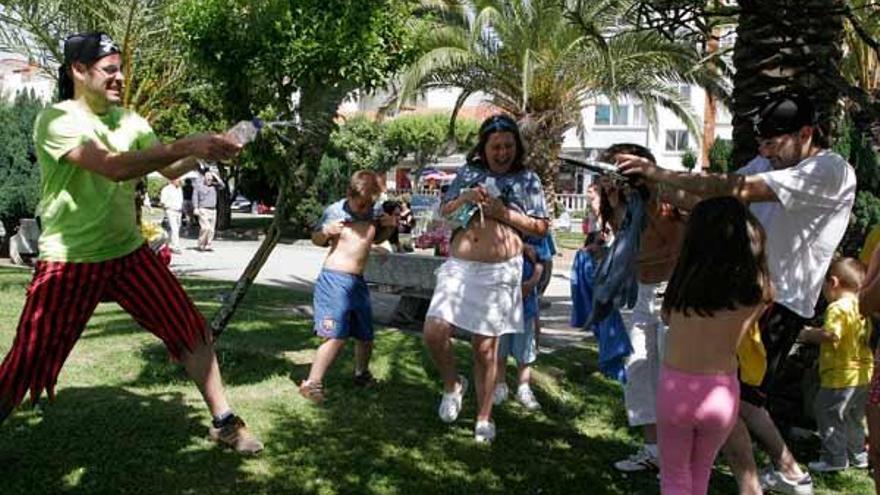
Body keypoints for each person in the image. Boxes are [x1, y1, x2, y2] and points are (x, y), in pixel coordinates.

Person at [0, 32, 262, 454]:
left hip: (127, 255)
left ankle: (225, 421)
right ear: (79, 71)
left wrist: (206, 151)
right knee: (27, 359)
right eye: (109, 69)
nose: (120, 77)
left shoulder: (132, 122)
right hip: (70, 260)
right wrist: (186, 144)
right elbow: (113, 168)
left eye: (121, 68)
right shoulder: (56, 120)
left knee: (190, 329)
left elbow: (167, 167)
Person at [619, 92, 857, 494]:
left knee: (736, 401)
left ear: (806, 133)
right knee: (737, 399)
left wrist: (660, 173)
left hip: (779, 299)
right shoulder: (769, 161)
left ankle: (766, 481)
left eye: (772, 143)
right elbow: (712, 197)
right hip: (746, 292)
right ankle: (783, 475)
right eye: (761, 143)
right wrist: (651, 186)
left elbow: (735, 187)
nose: (764, 152)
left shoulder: (829, 170)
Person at [422, 114, 549, 443]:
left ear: (516, 147)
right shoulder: (469, 171)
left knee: (486, 349)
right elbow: (445, 211)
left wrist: (501, 212)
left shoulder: (528, 179)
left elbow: (541, 227)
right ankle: (453, 385)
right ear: (484, 147)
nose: (503, 152)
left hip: (499, 271)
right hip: (460, 266)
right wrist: (465, 198)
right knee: (434, 331)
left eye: (508, 146)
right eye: (496, 146)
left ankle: (483, 417)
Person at [658, 196, 772, 495]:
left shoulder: (683, 284)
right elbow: (761, 274)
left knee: (674, 477)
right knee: (700, 473)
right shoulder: (756, 291)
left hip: (676, 390)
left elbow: (666, 317)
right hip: (721, 393)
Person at [596, 144, 686, 474]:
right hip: (642, 293)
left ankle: (677, 455)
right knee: (638, 372)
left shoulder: (663, 201)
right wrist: (617, 202)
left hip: (667, 292)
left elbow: (675, 242)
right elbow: (627, 239)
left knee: (670, 373)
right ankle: (654, 451)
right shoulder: (626, 202)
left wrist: (646, 196)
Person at [299, 170, 397, 404]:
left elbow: (374, 237)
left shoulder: (373, 211)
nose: (364, 208)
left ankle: (361, 375)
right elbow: (316, 239)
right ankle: (312, 384)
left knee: (365, 335)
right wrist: (325, 232)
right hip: (334, 280)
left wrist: (389, 227)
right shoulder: (335, 211)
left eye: (369, 203)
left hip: (357, 283)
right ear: (349, 194)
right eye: (360, 203)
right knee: (336, 336)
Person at [798, 258, 872, 472]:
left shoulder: (837, 308)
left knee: (828, 413)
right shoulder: (862, 307)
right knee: (853, 418)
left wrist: (806, 333)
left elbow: (831, 335)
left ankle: (834, 459)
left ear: (833, 282)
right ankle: (858, 454)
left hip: (840, 375)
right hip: (862, 374)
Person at [493, 239, 543, 411]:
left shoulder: (535, 233)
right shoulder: (501, 232)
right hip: (501, 301)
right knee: (500, 347)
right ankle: (500, 385)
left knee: (524, 349)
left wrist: (531, 284)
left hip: (525, 304)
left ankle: (523, 387)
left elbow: (541, 262)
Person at [193, 170, 224, 251]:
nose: (209, 180)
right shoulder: (199, 186)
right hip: (203, 209)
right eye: (207, 178)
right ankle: (201, 244)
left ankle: (208, 245)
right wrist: (195, 208)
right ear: (204, 178)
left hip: (213, 210)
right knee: (205, 228)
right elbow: (195, 197)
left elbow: (223, 185)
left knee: (211, 230)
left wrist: (216, 176)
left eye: (210, 178)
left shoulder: (215, 186)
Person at [160, 178, 184, 253]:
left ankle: (168, 244)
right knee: (174, 228)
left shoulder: (179, 189)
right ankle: (175, 246)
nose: (179, 181)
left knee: (177, 228)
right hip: (170, 210)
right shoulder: (166, 189)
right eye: (178, 179)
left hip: (179, 211)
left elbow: (181, 200)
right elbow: (163, 201)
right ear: (173, 180)